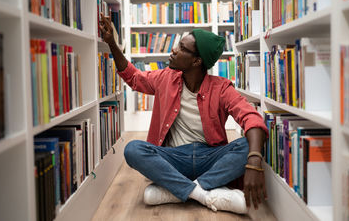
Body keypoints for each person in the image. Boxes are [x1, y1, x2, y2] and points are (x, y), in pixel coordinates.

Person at [99, 13, 268, 215]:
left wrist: (255, 161)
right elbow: (134, 78)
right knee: (133, 149)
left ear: (197, 61)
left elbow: (252, 118)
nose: (173, 50)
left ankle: (175, 191)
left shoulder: (221, 88)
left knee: (248, 144)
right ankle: (203, 193)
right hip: (174, 157)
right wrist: (112, 43)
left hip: (210, 157)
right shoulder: (166, 78)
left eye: (181, 48)